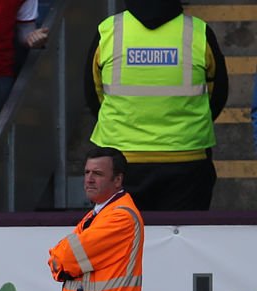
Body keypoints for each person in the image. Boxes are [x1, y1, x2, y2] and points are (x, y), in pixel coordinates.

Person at [85, 0, 227, 212]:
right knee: (183, 239)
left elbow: (93, 95)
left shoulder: (108, 30)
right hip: (186, 159)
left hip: (119, 161)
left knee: (120, 240)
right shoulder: (199, 31)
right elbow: (218, 94)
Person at [48, 147, 143, 291]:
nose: (89, 179)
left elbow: (63, 258)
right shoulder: (99, 214)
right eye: (87, 172)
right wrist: (61, 261)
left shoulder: (120, 217)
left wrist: (62, 262)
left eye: (98, 174)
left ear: (117, 180)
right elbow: (59, 259)